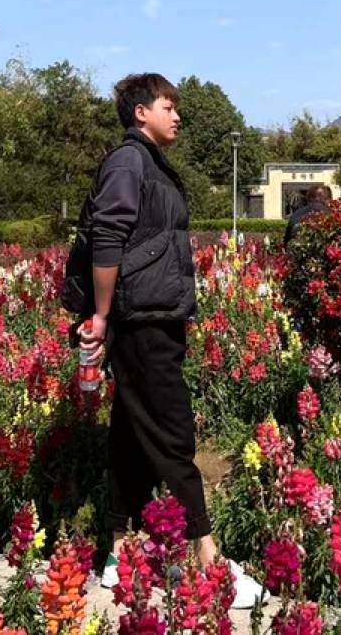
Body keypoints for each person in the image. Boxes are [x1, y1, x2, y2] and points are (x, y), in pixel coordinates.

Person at [73, 72, 264, 609]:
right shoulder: (127, 163)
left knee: (132, 437)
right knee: (174, 432)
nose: (177, 115)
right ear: (140, 112)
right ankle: (209, 562)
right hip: (137, 319)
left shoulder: (151, 164)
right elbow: (108, 237)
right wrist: (103, 315)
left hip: (155, 314)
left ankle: (114, 553)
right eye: (167, 105)